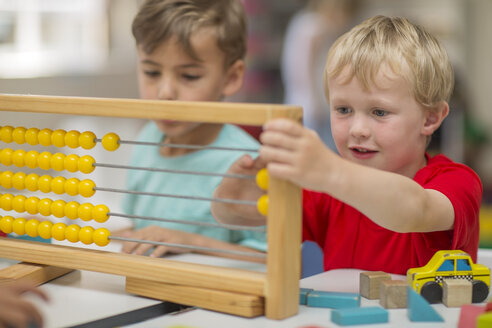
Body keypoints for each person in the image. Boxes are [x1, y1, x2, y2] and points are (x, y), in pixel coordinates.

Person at [211, 15, 482, 275]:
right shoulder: (328, 190)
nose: (358, 129)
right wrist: (232, 194)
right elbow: (237, 216)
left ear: (430, 118)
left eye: (379, 112)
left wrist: (330, 172)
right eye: (343, 109)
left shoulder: (458, 182)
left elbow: (414, 209)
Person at [118, 0, 266, 259]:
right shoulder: (146, 141)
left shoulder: (247, 164)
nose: (166, 93)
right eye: (152, 72)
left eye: (189, 76)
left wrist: (191, 241)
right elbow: (138, 229)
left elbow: (270, 258)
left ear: (230, 78)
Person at [281, 0, 359, 151]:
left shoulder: (302, 21)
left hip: (301, 99)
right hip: (313, 104)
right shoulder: (316, 27)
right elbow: (306, 67)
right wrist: (317, 99)